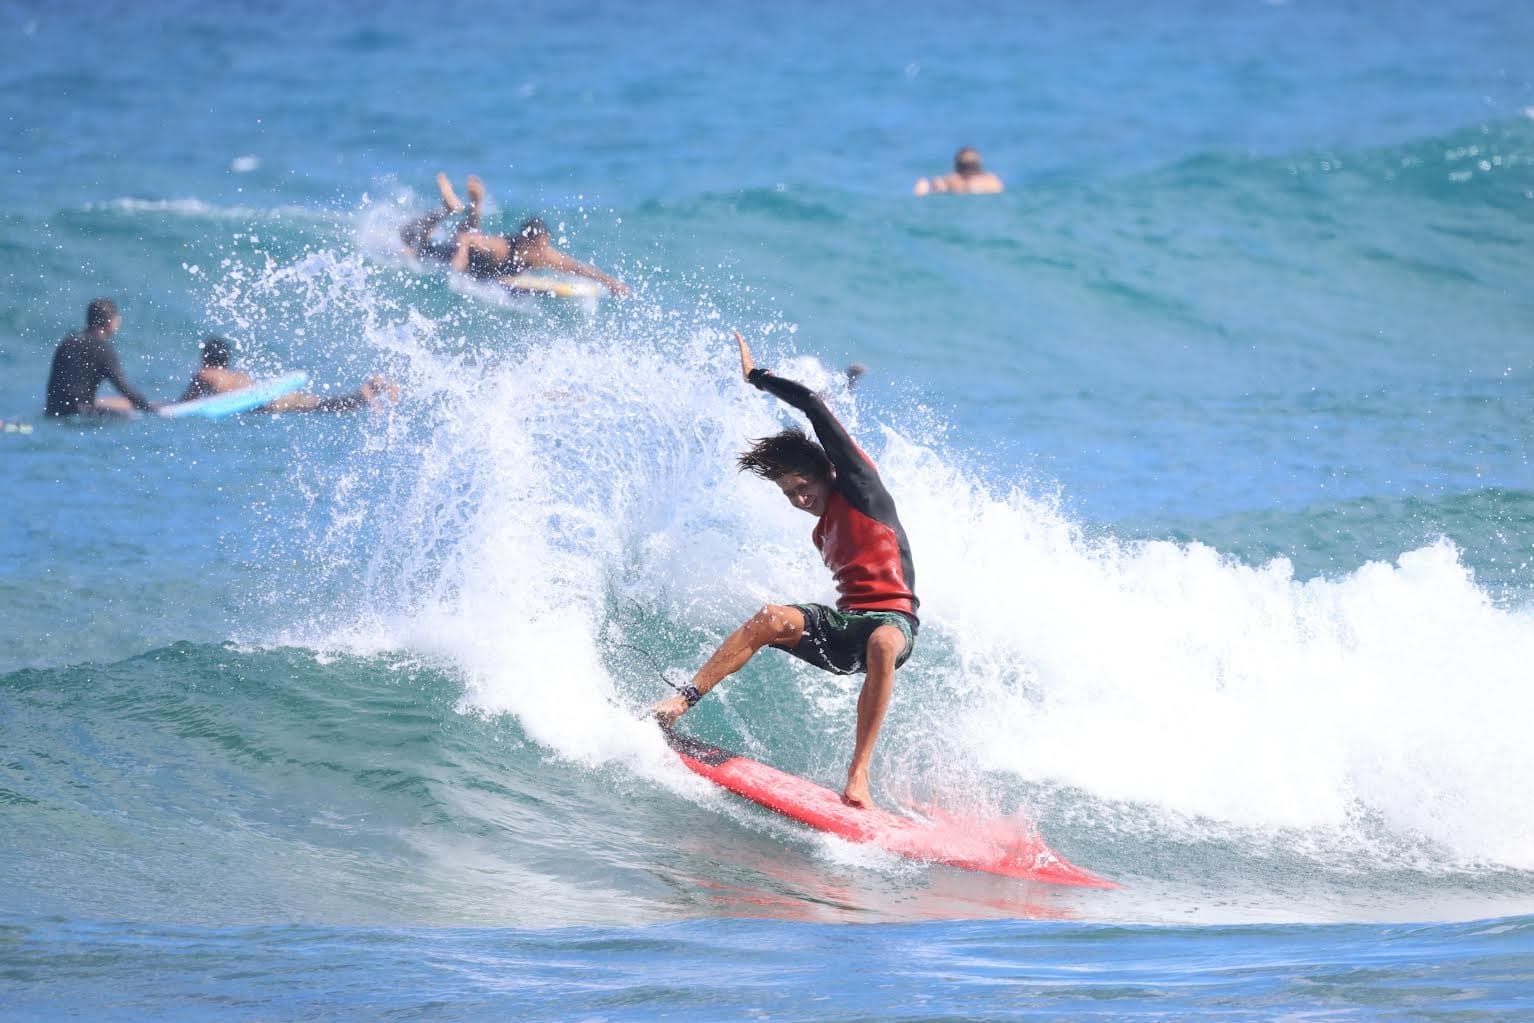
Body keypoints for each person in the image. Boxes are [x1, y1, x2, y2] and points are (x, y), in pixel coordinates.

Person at [652, 333, 919, 810]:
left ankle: (858, 775)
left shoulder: (861, 490)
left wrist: (758, 378)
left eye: (802, 488)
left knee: (880, 640)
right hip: (844, 630)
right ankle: (681, 702)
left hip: (893, 625)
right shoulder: (822, 529)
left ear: (826, 473)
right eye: (788, 495)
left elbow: (814, 407)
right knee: (770, 618)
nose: (799, 501)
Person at [400, 173, 629, 297]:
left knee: (464, 235)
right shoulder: (503, 248)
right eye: (541, 246)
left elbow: (578, 268)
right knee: (410, 239)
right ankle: (451, 208)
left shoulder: (543, 254)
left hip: (478, 265)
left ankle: (464, 207)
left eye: (545, 246)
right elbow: (469, 239)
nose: (544, 252)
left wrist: (610, 282)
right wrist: (460, 254)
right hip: (456, 257)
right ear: (525, 242)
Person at [179, 335, 399, 412]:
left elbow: (186, 402)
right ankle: (371, 389)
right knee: (326, 404)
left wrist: (158, 409)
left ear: (206, 357)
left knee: (327, 406)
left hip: (266, 404)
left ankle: (368, 390)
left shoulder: (205, 374)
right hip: (271, 395)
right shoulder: (235, 375)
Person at [44, 298, 160, 416]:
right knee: (131, 416)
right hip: (80, 414)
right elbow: (123, 387)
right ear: (110, 321)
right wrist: (149, 409)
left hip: (53, 410)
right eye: (117, 318)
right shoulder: (102, 349)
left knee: (111, 404)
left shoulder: (68, 342)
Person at [913, 146, 1005, 196]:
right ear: (979, 164)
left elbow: (922, 191)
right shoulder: (992, 180)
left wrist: (923, 184)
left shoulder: (949, 180)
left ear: (957, 165)